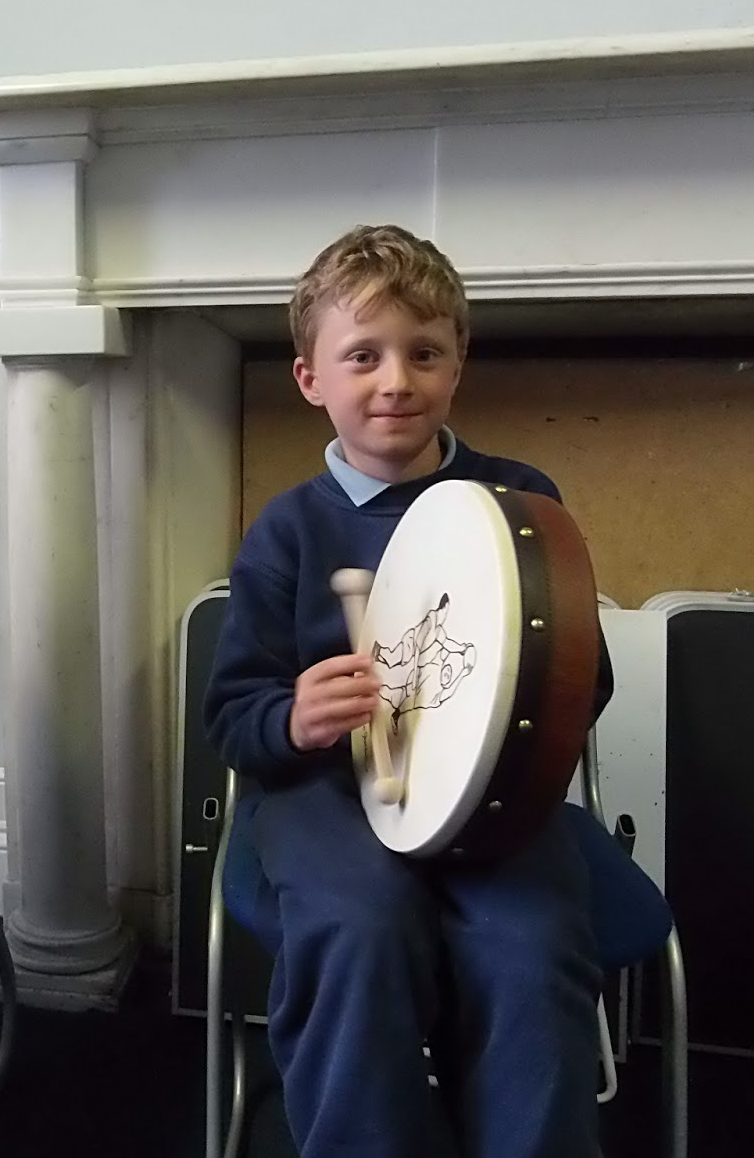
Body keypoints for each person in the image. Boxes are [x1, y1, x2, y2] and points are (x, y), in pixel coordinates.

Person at [203, 224, 614, 1157]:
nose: (395, 380)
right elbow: (233, 717)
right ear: (311, 379)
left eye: (424, 352)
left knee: (533, 946)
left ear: (457, 364)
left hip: (498, 789)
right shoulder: (290, 531)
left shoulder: (520, 503)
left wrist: (514, 708)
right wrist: (295, 717)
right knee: (360, 930)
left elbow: (586, 675)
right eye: (363, 356)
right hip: (325, 795)